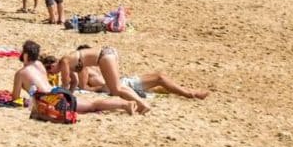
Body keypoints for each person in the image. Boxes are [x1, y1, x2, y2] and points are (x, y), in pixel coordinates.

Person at [12, 41, 138, 115]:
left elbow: (15, 98)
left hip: (51, 100)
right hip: (57, 92)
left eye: (23, 53)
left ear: (26, 55)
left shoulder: (20, 73)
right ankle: (125, 104)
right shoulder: (40, 65)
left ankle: (124, 105)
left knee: (92, 107)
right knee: (91, 104)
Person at [57, 43, 150, 111]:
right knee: (117, 88)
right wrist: (70, 95)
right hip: (106, 54)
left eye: (50, 71)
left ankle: (142, 104)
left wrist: (61, 95)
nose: (53, 74)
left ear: (52, 65)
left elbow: (65, 82)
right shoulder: (68, 61)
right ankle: (141, 103)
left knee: (116, 89)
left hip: (104, 56)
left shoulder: (64, 61)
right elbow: (74, 82)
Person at [77, 63, 210, 100]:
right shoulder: (84, 67)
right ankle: (191, 94)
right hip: (120, 85)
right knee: (160, 77)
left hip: (121, 83)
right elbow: (84, 88)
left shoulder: (92, 68)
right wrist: (101, 89)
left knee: (160, 87)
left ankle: (189, 91)